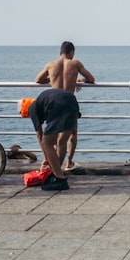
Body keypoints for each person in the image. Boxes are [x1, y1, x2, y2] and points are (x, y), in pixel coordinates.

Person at [35, 41, 95, 171]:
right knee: (72, 134)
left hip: (53, 100)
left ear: (60, 52)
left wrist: (52, 79)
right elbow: (91, 79)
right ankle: (68, 162)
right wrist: (77, 80)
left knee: (53, 135)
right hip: (68, 102)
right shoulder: (75, 63)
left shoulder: (51, 64)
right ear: (71, 52)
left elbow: (38, 79)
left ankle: (52, 165)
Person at [28, 88, 79, 191]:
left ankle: (59, 178)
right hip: (72, 101)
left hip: (56, 104)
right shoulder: (42, 101)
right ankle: (56, 172)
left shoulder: (32, 109)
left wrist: (46, 158)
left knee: (47, 143)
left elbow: (40, 136)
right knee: (62, 141)